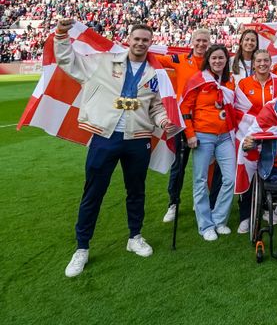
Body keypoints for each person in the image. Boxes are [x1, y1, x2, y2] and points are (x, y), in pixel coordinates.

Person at [54, 19, 173, 278]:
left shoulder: (154, 73)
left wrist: (163, 119)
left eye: (146, 40)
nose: (141, 43)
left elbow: (154, 105)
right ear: (128, 39)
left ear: (150, 43)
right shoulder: (104, 62)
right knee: (93, 192)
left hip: (138, 138)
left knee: (136, 191)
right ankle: (82, 248)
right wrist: (62, 35)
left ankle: (135, 236)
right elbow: (68, 61)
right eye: (137, 39)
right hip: (105, 137)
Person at [180, 45, 237, 241]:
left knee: (231, 178)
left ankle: (219, 219)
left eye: (221, 58)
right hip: (203, 136)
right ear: (208, 60)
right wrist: (190, 134)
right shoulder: (197, 79)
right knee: (201, 180)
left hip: (225, 136)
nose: (218, 61)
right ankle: (205, 226)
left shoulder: (230, 81)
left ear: (226, 60)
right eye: (214, 58)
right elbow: (185, 108)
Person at [158, 28, 211, 223]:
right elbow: (156, 60)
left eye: (205, 41)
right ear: (192, 41)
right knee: (178, 164)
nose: (201, 44)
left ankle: (205, 201)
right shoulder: (179, 59)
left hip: (205, 121)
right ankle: (173, 202)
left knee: (206, 165)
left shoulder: (212, 63)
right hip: (182, 120)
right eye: (198, 40)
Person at [234, 50, 277, 233]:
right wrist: (255, 125)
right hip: (250, 136)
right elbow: (238, 110)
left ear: (271, 62)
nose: (262, 64)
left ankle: (265, 208)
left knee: (268, 171)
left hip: (273, 136)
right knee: (248, 173)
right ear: (253, 64)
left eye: (266, 61)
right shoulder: (244, 84)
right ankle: (245, 215)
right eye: (259, 61)